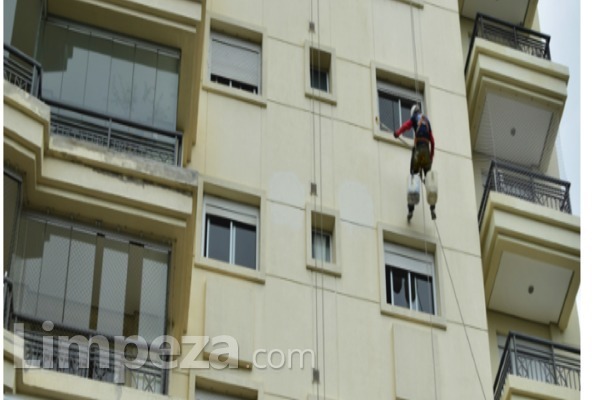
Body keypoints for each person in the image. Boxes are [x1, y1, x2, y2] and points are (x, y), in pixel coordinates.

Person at [394, 104, 436, 220]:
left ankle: (411, 209)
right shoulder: (427, 121)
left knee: (413, 175)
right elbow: (432, 141)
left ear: (413, 112)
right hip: (426, 152)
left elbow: (406, 126)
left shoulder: (414, 119)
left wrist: (397, 133)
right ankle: (432, 207)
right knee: (429, 180)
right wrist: (431, 157)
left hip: (419, 151)